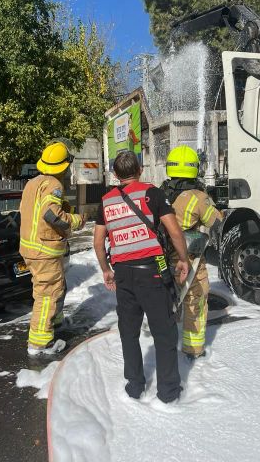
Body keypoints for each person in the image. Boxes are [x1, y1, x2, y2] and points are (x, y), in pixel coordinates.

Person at [93, 150, 189, 403]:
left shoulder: (106, 201)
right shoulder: (152, 194)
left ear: (115, 175)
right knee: (164, 332)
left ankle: (134, 386)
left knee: (129, 331)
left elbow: (98, 241)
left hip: (123, 273)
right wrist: (183, 258)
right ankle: (168, 392)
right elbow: (174, 231)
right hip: (153, 270)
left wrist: (106, 269)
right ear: (140, 170)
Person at [20, 141, 85, 356]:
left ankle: (55, 322)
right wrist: (76, 220)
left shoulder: (33, 183)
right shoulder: (53, 185)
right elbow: (52, 215)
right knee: (47, 294)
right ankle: (40, 343)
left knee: (56, 288)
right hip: (44, 250)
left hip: (32, 249)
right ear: (63, 166)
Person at [161, 145, 222, 361]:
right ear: (194, 168)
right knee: (196, 299)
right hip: (189, 259)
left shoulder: (159, 193)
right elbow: (216, 223)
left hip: (161, 258)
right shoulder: (198, 196)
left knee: (166, 299)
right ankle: (193, 349)